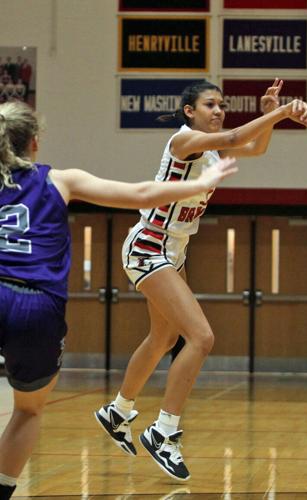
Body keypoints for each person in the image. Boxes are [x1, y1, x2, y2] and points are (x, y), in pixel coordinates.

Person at [0, 100, 237, 500]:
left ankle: (122, 410)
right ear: (36, 143)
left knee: (163, 337)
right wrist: (197, 185)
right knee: (26, 409)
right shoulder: (59, 179)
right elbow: (141, 193)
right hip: (35, 304)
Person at [95, 79, 307, 481]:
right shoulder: (183, 142)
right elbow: (234, 135)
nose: (219, 110)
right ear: (189, 111)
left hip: (172, 252)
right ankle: (164, 432)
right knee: (202, 338)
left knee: (162, 339)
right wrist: (279, 112)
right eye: (210, 104)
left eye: (222, 104)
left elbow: (253, 147)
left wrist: (269, 116)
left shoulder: (210, 149)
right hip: (150, 246)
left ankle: (118, 411)